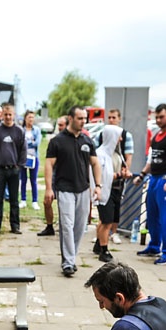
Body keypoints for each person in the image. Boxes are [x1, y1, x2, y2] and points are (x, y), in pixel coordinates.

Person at [44, 106, 101, 277]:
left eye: (85, 118)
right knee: (67, 225)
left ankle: (72, 256)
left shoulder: (87, 141)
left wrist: (98, 185)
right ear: (71, 118)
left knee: (79, 226)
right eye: (80, 118)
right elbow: (49, 164)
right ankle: (68, 262)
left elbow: (95, 163)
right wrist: (48, 188)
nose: (83, 122)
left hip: (83, 188)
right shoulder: (57, 141)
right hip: (64, 188)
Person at [132, 103, 166, 265]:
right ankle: (154, 245)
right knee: (152, 215)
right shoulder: (157, 136)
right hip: (154, 179)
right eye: (157, 117)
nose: (159, 120)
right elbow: (151, 159)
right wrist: (142, 175)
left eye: (161, 117)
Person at [0, 103, 27, 235]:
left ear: (14, 115)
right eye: (6, 115)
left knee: (14, 199)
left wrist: (20, 165)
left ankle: (15, 225)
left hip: (14, 169)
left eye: (10, 115)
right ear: (2, 115)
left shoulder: (19, 131)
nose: (8, 117)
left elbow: (23, 150)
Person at [100, 109, 134, 244]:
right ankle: (102, 238)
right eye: (109, 117)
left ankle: (113, 232)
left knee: (115, 207)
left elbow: (128, 156)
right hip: (107, 178)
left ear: (119, 119)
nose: (111, 120)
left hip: (118, 178)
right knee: (104, 211)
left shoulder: (126, 136)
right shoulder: (103, 135)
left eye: (114, 117)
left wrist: (125, 171)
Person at [94, 124, 124, 263]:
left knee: (105, 220)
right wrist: (118, 175)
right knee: (106, 222)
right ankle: (104, 250)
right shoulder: (101, 155)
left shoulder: (114, 153)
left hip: (112, 191)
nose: (121, 139)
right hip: (105, 191)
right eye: (118, 136)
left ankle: (99, 244)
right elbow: (103, 175)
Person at [38, 116, 70, 237]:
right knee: (47, 201)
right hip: (54, 174)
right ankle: (49, 226)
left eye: (62, 125)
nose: (59, 127)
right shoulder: (55, 141)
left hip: (65, 176)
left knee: (64, 204)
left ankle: (65, 227)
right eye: (59, 125)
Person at [19, 110, 42, 210]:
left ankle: (34, 201)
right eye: (29, 117)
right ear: (25, 118)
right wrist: (29, 142)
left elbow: (37, 142)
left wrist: (26, 143)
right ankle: (23, 200)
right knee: (23, 180)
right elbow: (19, 143)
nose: (31, 119)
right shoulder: (21, 130)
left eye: (33, 117)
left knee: (33, 180)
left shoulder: (36, 130)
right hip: (23, 157)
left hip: (34, 157)